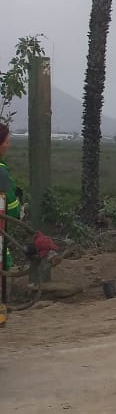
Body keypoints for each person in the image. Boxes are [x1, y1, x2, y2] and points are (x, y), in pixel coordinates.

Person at [0, 124, 20, 326]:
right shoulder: (1, 173)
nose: (8, 145)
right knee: (3, 263)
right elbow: (11, 208)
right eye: (6, 142)